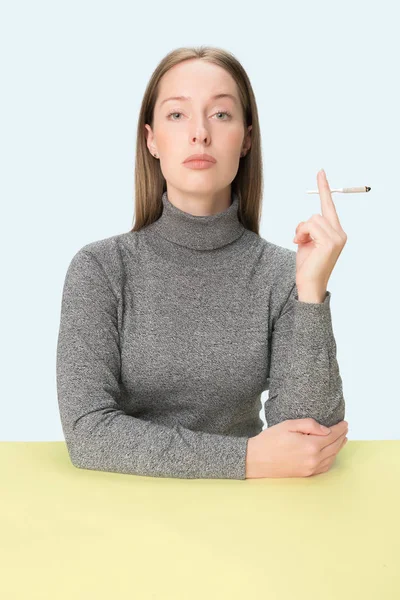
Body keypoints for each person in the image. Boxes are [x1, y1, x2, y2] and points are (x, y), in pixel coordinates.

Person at [56, 46, 348, 481]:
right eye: (177, 115)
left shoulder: (281, 275)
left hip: (248, 520)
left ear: (246, 138)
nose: (200, 134)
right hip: (118, 516)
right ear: (151, 139)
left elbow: (308, 443)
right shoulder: (100, 269)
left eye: (221, 115)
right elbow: (88, 432)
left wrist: (310, 294)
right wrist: (245, 459)